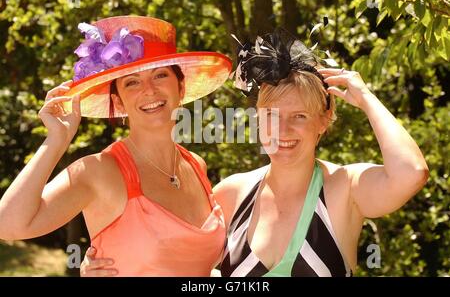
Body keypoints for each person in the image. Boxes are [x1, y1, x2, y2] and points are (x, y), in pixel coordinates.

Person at [80, 28, 429, 277]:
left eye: (300, 117)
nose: (283, 130)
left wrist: (366, 99)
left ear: (324, 121)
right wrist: (108, 264)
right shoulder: (231, 193)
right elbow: (181, 265)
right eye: (271, 116)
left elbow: (411, 173)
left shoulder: (345, 188)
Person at [0, 15, 232, 276]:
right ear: (118, 102)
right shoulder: (98, 171)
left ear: (180, 87)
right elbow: (8, 225)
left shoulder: (195, 165)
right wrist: (57, 140)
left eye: (160, 75)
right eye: (132, 82)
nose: (149, 90)